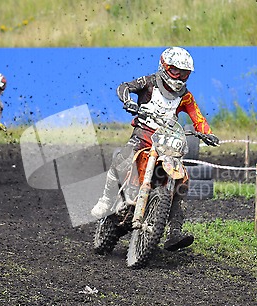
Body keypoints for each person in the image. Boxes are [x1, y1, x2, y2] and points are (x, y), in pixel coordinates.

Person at [91, 47, 219, 251]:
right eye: (175, 71)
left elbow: (198, 117)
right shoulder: (149, 82)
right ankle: (105, 201)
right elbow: (124, 86)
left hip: (166, 142)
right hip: (142, 136)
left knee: (181, 180)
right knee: (121, 159)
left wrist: (207, 133)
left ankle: (174, 232)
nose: (179, 77)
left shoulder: (185, 95)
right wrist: (128, 101)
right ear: (164, 67)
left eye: (184, 73)